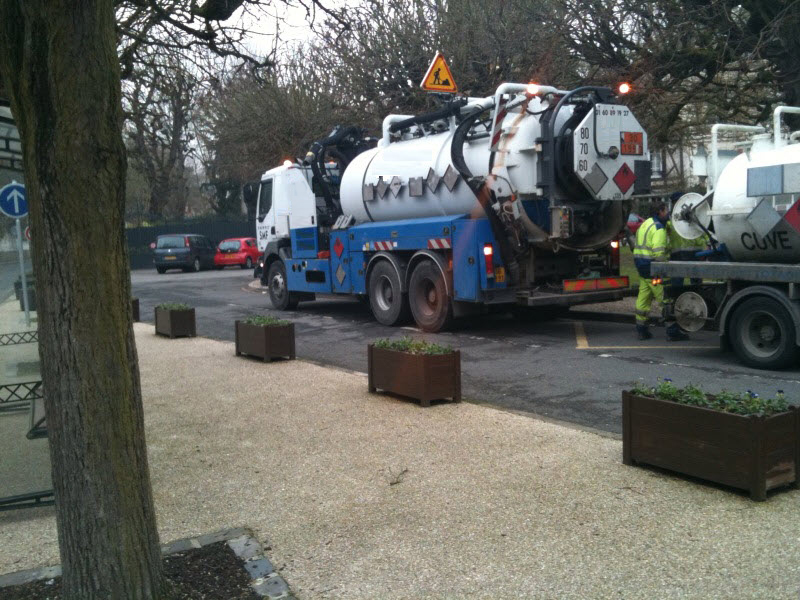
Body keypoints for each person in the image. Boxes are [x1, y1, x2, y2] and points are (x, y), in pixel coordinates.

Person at [633, 203, 689, 341]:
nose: (668, 213)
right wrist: (666, 266)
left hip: (642, 267)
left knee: (643, 298)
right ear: (660, 212)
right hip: (654, 269)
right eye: (666, 211)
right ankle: (672, 331)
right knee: (665, 299)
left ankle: (641, 329)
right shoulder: (659, 229)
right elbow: (658, 254)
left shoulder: (646, 223)